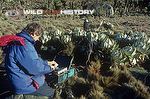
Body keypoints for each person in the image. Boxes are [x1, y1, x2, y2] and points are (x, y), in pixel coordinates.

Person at [3, 23, 58, 98]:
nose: (38, 39)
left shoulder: (18, 40)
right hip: (23, 85)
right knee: (51, 91)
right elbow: (35, 69)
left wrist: (46, 63)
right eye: (38, 37)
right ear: (33, 33)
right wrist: (51, 68)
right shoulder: (24, 45)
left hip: (17, 78)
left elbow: (31, 60)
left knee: (43, 78)